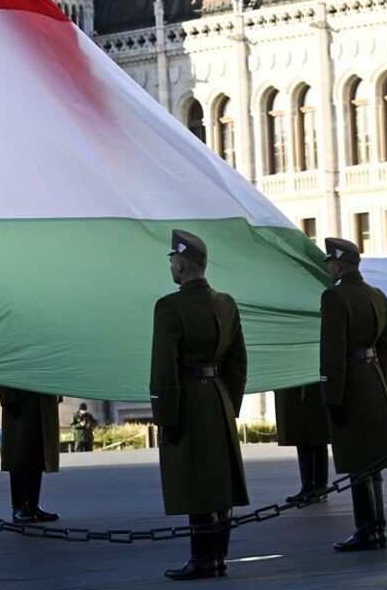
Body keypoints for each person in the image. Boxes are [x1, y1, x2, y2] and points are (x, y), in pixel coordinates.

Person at [150, 230, 249, 581]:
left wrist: (165, 414)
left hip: (190, 399)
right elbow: (238, 362)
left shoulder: (169, 306)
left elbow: (164, 368)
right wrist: (228, 402)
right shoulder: (226, 303)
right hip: (218, 396)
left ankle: (203, 558)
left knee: (196, 479)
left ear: (181, 263)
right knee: (218, 480)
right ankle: (218, 555)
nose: (171, 265)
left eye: (172, 260)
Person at [319, 238, 387, 552]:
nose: (329, 268)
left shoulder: (334, 297)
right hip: (373, 379)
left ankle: (367, 528)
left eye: (330, 263)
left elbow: (333, 351)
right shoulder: (377, 296)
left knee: (357, 456)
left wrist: (332, 395)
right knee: (374, 459)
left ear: (338, 265)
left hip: (350, 382)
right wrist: (377, 377)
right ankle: (378, 526)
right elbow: (386, 347)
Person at [0, 386, 61, 523]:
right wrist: (8, 398)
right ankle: (18, 507)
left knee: (38, 452)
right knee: (18, 454)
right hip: (20, 400)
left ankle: (32, 505)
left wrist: (58, 390)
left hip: (44, 397)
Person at [274, 382, 330, 503]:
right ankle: (307, 486)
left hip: (313, 385)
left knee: (318, 437)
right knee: (300, 435)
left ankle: (320, 487)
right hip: (295, 385)